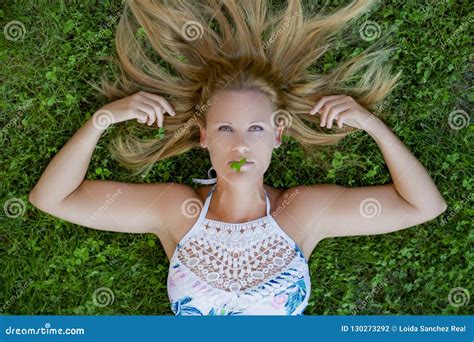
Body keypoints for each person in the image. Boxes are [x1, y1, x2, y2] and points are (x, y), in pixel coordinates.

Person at [29, 0, 447, 315]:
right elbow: (52, 199)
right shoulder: (175, 211)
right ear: (203, 137)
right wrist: (103, 118)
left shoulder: (301, 210)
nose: (241, 145)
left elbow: (424, 206)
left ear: (278, 135)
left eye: (257, 129)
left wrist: (371, 124)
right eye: (225, 129)